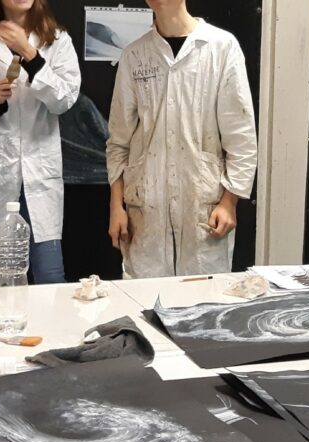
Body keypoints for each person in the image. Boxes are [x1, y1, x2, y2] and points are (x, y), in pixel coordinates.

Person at [106, 0, 258, 278]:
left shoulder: (221, 47)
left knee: (201, 296)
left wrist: (229, 202)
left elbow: (241, 136)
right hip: (145, 214)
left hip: (203, 209)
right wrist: (116, 206)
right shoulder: (134, 56)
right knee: (146, 298)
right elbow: (118, 141)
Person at [0, 0, 81, 287]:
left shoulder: (57, 40)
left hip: (39, 174)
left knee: (49, 277)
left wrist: (30, 54)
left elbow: (64, 100)